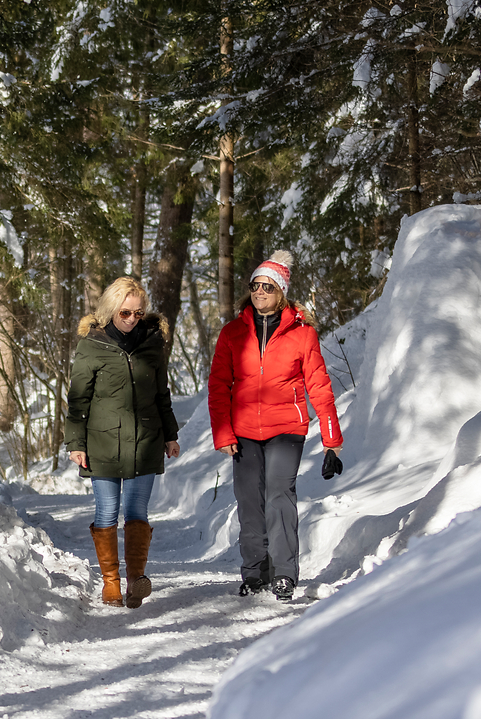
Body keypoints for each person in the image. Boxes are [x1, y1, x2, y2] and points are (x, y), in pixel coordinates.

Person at [208, 249, 344, 602]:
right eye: (255, 286)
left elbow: (319, 385)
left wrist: (331, 439)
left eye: (268, 287)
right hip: (243, 433)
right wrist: (223, 432)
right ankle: (255, 572)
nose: (260, 292)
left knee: (279, 497)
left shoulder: (303, 335)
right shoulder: (232, 333)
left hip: (287, 429)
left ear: (281, 291)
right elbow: (218, 386)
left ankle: (284, 573)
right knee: (250, 502)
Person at [63, 276, 181, 609]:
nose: (132, 320)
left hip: (146, 439)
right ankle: (111, 583)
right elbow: (78, 399)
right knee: (107, 512)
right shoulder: (92, 345)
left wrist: (170, 435)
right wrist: (76, 442)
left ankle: (135, 582)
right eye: (125, 313)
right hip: (102, 443)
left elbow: (162, 394)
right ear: (112, 310)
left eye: (138, 314)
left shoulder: (153, 344)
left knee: (136, 512)